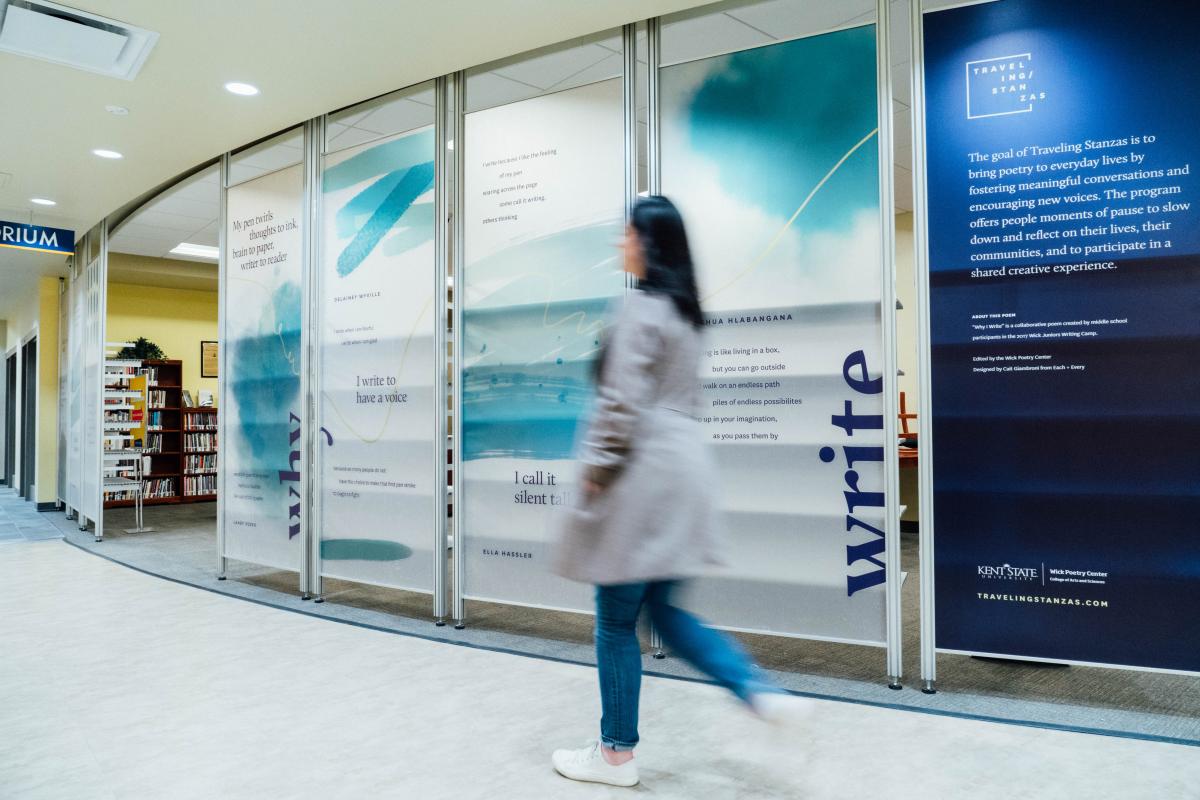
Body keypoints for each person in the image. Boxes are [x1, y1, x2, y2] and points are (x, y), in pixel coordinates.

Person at [551, 196, 805, 788]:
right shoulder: (688, 316)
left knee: (615, 621)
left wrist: (596, 471)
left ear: (649, 242)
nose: (621, 243)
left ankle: (615, 753)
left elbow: (619, 404)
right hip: (686, 474)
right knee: (664, 612)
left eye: (628, 233)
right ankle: (760, 693)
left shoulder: (639, 308)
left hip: (639, 476)